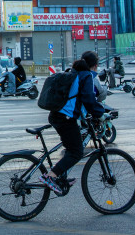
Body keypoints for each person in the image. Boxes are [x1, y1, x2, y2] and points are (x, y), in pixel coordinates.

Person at [40, 55, 107, 195]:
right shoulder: (86, 75)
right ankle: (51, 177)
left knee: (71, 146)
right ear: (94, 66)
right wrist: (100, 114)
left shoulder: (73, 72)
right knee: (76, 152)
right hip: (65, 118)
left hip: (57, 115)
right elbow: (88, 99)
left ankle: (61, 178)